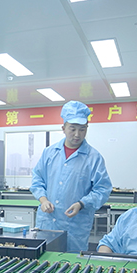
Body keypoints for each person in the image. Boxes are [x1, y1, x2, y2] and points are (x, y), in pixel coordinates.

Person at [31, 100, 112, 253]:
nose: (77, 134)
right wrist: (43, 200)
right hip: (47, 223)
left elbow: (103, 189)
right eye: (72, 129)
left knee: (72, 263)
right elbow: (37, 179)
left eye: (82, 129)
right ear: (63, 128)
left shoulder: (94, 158)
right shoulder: (49, 153)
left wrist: (82, 203)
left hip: (75, 226)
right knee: (43, 260)